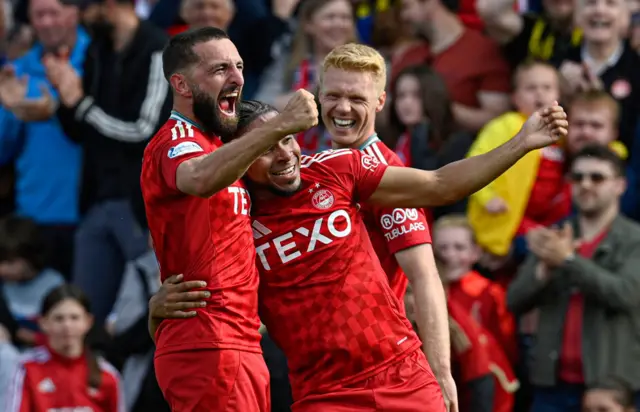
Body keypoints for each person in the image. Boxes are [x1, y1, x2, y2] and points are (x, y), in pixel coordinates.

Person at [150, 76, 567, 412]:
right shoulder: (234, 224)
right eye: (265, 149)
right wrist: (157, 310)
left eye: (288, 139)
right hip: (322, 395)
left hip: (401, 371)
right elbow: (213, 316)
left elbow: (440, 185)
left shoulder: (336, 168)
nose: (284, 155)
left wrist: (520, 144)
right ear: (241, 161)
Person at [141, 27, 318, 412]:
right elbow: (199, 178)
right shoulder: (176, 141)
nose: (237, 78)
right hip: (213, 346)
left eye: (238, 66)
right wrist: (281, 124)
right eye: (221, 69)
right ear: (181, 84)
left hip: (235, 344)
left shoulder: (223, 149)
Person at [318, 46, 455, 409]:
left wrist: (441, 372)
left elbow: (425, 276)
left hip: (374, 371)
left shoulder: (386, 176)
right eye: (333, 95)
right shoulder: (312, 166)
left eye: (356, 98)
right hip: (320, 367)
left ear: (380, 102)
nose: (343, 108)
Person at [42, 0, 171, 324]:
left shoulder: (158, 50)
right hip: (96, 199)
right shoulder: (96, 51)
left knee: (153, 309)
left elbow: (145, 131)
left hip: (140, 206)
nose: (82, 18)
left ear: (111, 5)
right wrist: (65, 94)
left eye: (86, 8)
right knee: (86, 314)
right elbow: (80, 132)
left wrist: (81, 104)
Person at [6, 284, 124, 412]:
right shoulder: (25, 368)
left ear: (88, 322)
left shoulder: (107, 374)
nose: (67, 325)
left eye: (74, 318)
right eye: (59, 318)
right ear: (43, 323)